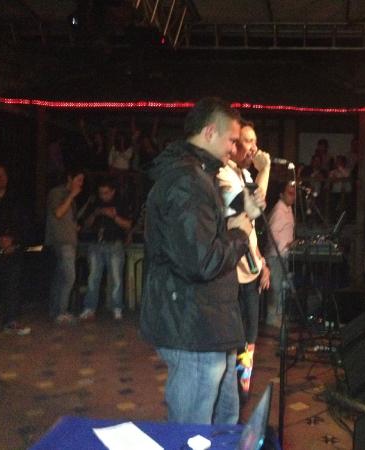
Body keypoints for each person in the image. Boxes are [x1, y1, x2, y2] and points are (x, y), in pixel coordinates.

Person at [140, 97, 255, 425]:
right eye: (232, 140)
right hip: (193, 325)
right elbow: (201, 261)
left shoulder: (198, 176)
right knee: (192, 432)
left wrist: (232, 227)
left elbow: (197, 242)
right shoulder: (187, 181)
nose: (235, 149)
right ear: (209, 132)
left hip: (208, 323)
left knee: (224, 422)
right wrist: (240, 234)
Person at [217, 120, 270, 397]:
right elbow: (253, 207)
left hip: (250, 267)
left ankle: (242, 386)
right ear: (235, 144)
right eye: (248, 141)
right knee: (236, 337)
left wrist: (262, 262)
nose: (254, 148)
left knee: (251, 336)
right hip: (232, 271)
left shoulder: (245, 174)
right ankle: (235, 391)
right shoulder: (223, 174)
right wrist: (266, 170)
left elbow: (252, 228)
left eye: (255, 142)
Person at [79, 178, 132, 321]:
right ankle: (90, 308)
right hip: (96, 244)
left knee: (116, 278)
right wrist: (95, 214)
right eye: (101, 193)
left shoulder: (121, 203)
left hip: (114, 244)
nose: (103, 196)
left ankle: (117, 308)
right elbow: (85, 224)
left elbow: (128, 225)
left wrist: (114, 216)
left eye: (106, 193)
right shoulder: (94, 203)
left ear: (113, 191)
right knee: (93, 278)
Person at [0, 163, 30, 334]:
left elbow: (24, 223)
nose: (1, 177)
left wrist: (12, 240)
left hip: (13, 249)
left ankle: (11, 321)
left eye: (4, 174)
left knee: (13, 284)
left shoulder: (16, 199)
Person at [45, 167, 85, 324]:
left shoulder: (71, 198)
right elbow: (58, 213)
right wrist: (72, 195)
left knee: (60, 277)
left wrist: (75, 226)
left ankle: (55, 311)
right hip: (61, 241)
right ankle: (61, 312)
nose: (81, 183)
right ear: (69, 178)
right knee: (69, 276)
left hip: (70, 240)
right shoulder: (57, 193)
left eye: (82, 180)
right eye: (78, 179)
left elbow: (67, 219)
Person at [265, 181, 296, 329]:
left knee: (283, 287)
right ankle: (272, 317)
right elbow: (272, 233)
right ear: (281, 194)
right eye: (290, 193)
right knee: (276, 287)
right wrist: (285, 244)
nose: (293, 196)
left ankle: (280, 315)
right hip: (276, 255)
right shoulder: (278, 211)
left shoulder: (289, 209)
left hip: (284, 254)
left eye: (294, 193)